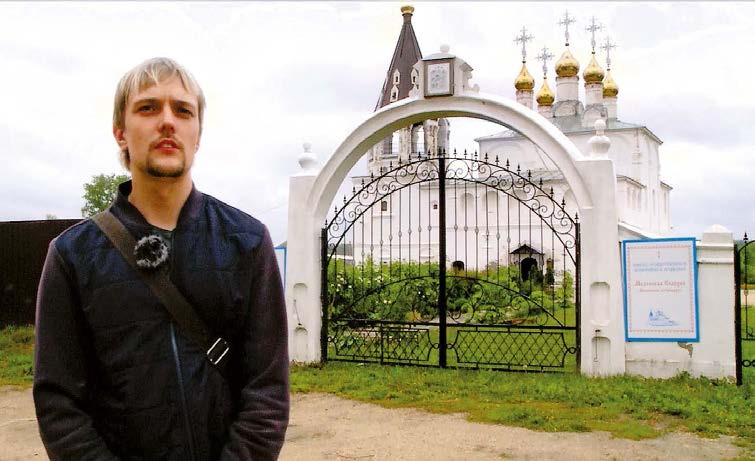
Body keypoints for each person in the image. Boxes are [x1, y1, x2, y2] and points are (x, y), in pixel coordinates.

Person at [33, 57, 290, 460]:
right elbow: (59, 404)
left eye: (183, 110)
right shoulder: (72, 256)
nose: (167, 121)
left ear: (198, 134)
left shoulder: (247, 242)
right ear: (120, 132)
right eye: (148, 107)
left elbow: (267, 391)